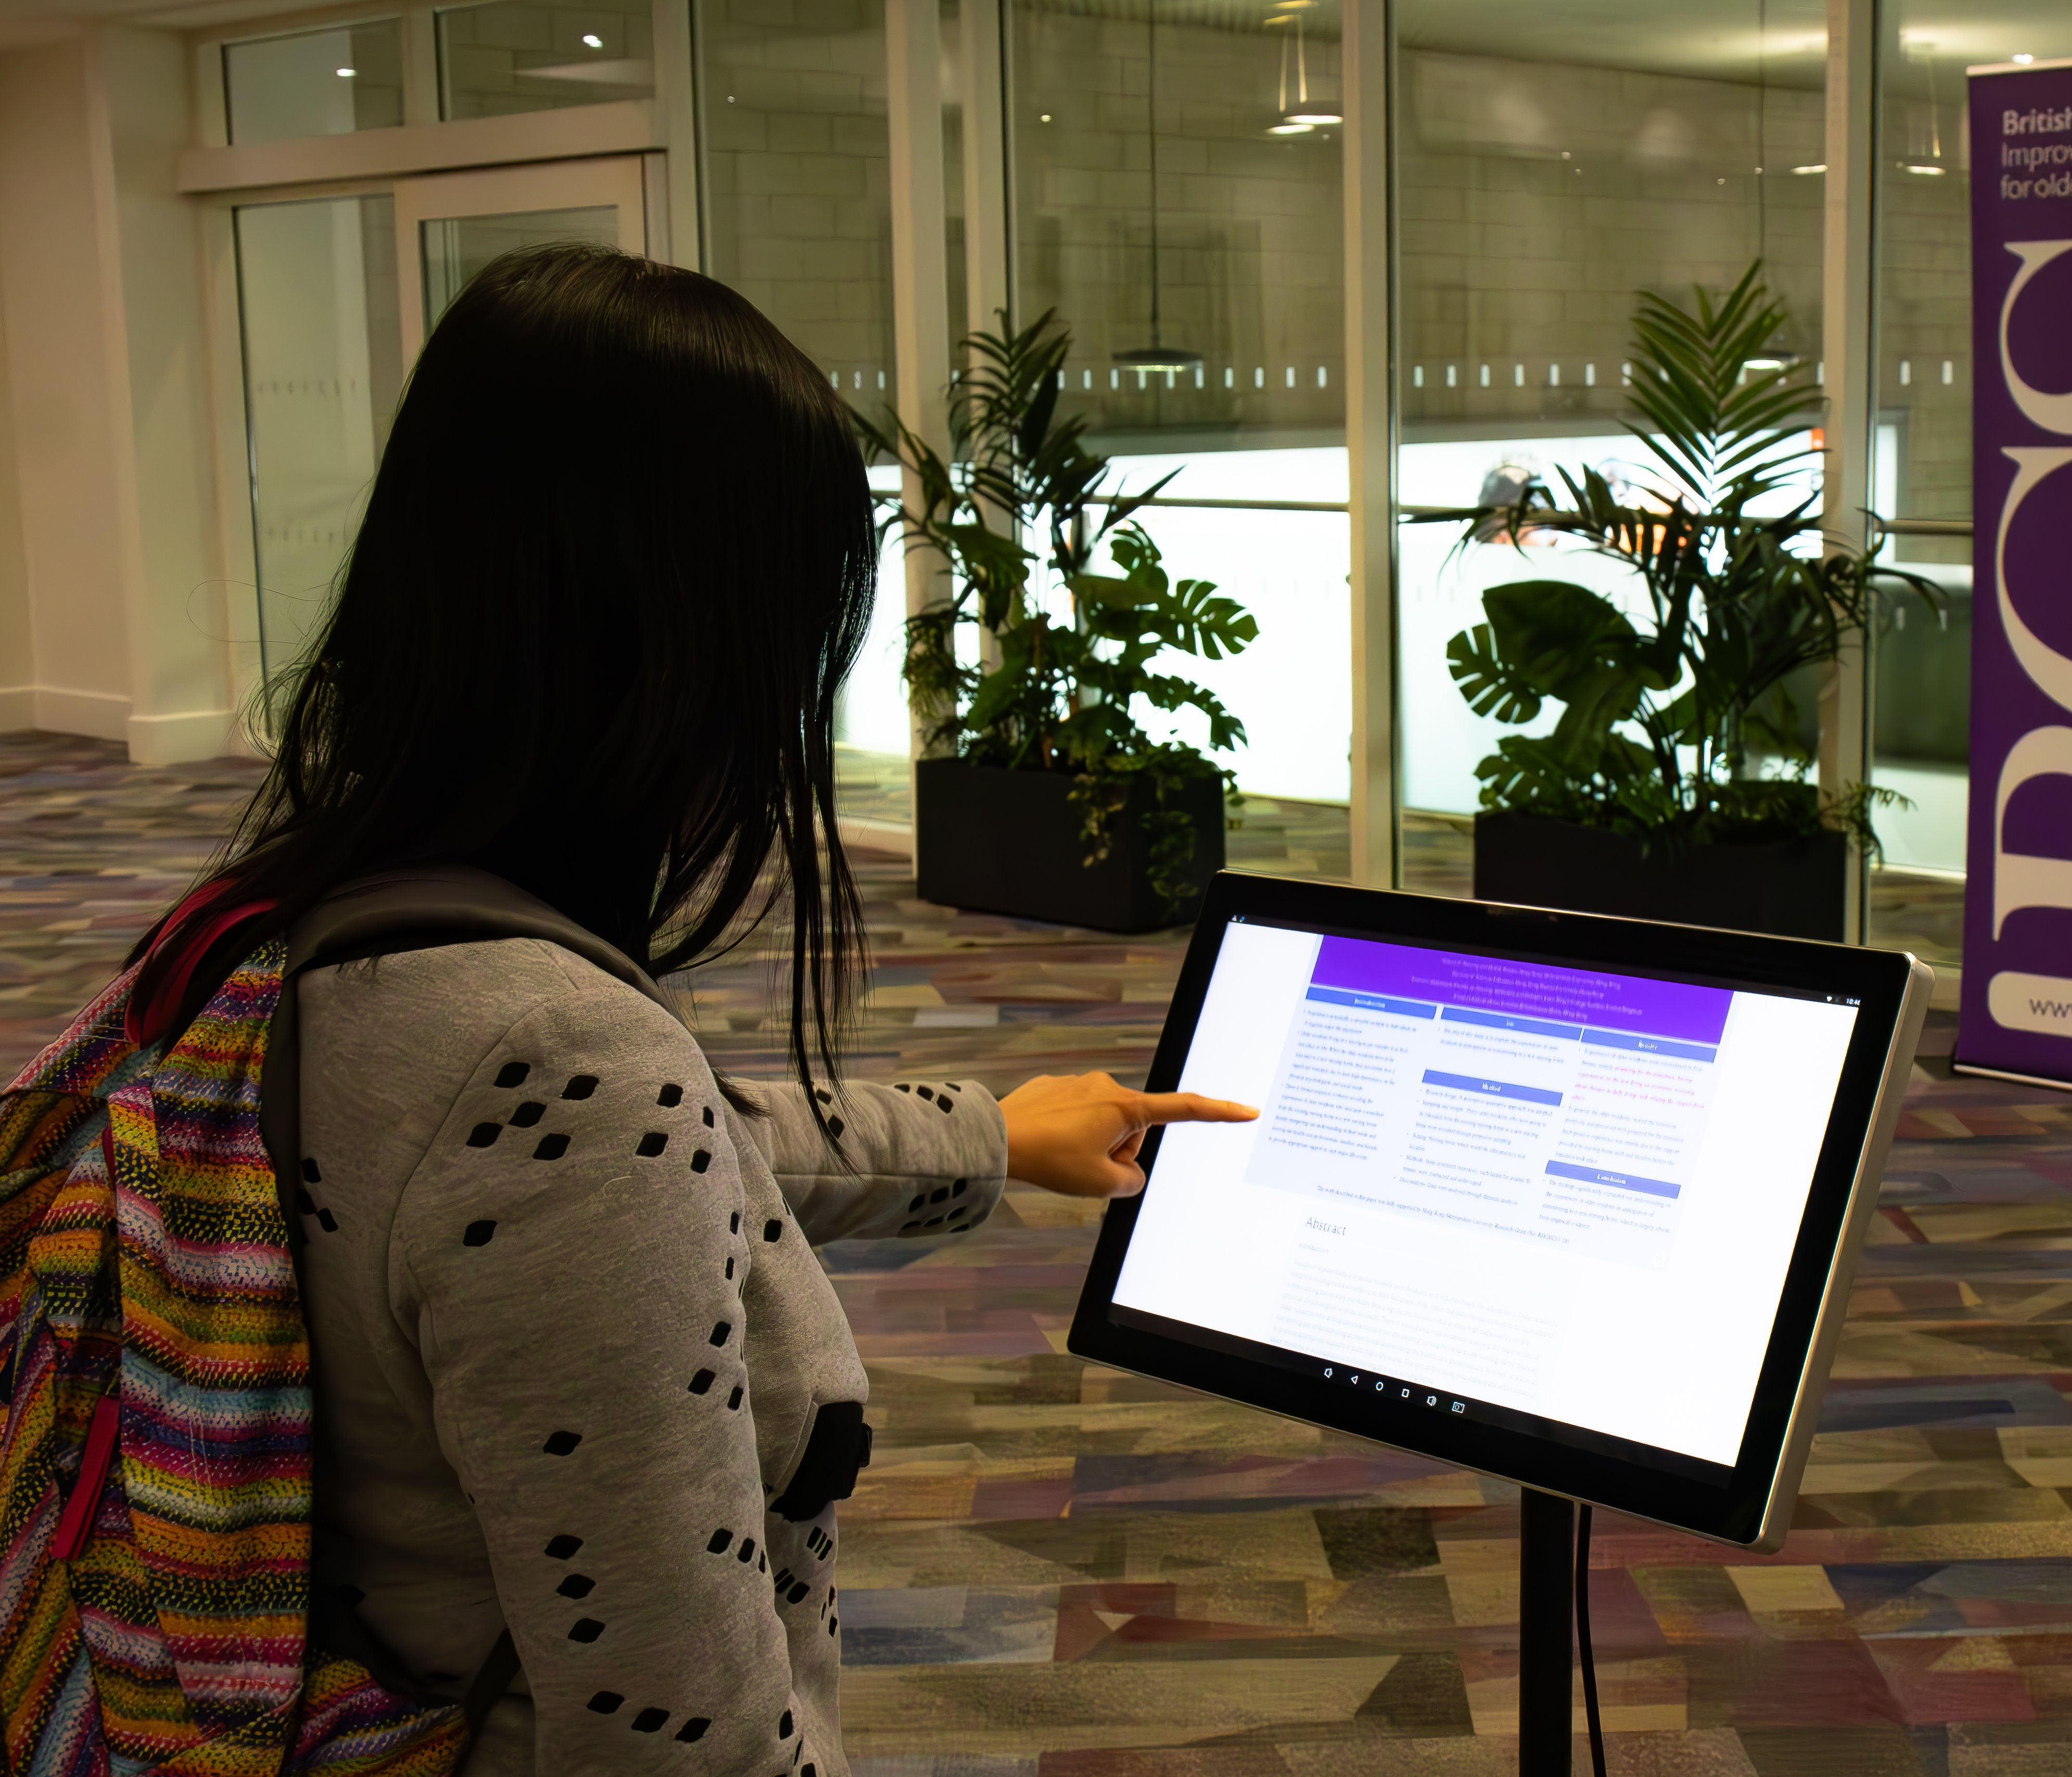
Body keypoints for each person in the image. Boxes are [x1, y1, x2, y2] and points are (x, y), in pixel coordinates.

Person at [125, 243, 1254, 1773]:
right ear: (685, 643)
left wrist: (991, 1137)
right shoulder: (554, 1052)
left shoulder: (289, 923)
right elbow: (679, 1733)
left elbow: (582, 1161)